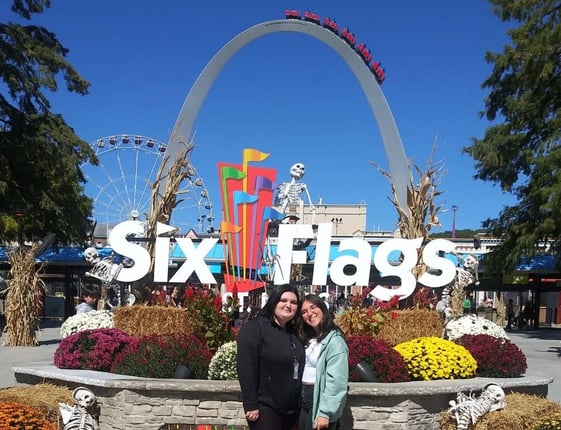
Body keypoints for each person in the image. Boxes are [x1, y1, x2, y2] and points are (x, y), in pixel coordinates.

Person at [236, 285, 305, 430]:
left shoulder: (293, 332)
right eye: (284, 300)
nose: (288, 305)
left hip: (290, 409)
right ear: (274, 302)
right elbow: (246, 366)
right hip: (265, 407)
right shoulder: (255, 328)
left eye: (293, 302)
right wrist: (251, 404)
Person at [298, 294, 349, 430]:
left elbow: (337, 381)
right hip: (301, 399)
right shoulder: (307, 338)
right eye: (304, 311)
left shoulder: (335, 341)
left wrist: (325, 412)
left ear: (322, 308)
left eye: (313, 307)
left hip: (318, 398)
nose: (310, 313)